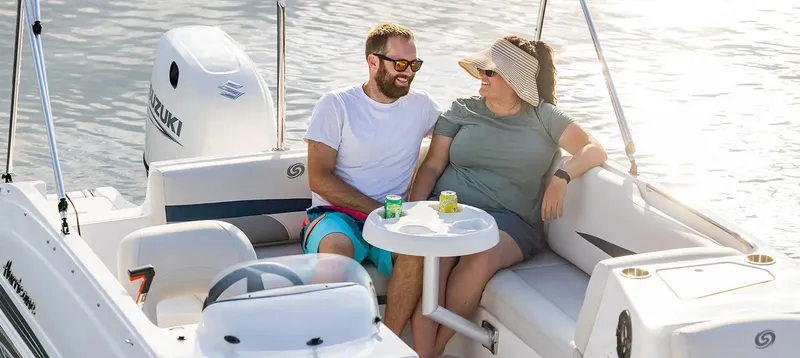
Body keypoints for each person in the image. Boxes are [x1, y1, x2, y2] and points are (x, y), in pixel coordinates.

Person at [406, 35, 608, 357]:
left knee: (479, 259)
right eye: (483, 70)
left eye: (490, 72)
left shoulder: (544, 116)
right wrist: (412, 210)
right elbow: (431, 166)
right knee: (435, 262)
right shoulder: (462, 110)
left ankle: (433, 351)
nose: (482, 77)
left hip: (510, 221)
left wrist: (562, 177)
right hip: (448, 209)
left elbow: (594, 149)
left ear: (515, 81)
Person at [300, 23, 443, 336]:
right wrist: (379, 211)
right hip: (336, 215)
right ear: (373, 61)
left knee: (418, 253)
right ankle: (325, 344)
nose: (409, 72)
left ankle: (385, 343)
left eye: (414, 64)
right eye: (400, 64)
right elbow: (319, 180)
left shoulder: (422, 106)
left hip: (393, 218)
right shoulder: (336, 105)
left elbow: (456, 137)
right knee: (336, 251)